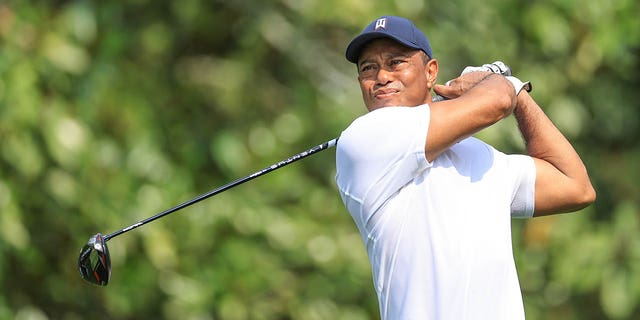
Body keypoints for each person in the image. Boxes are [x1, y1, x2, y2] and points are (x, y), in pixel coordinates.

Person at [335, 16, 596, 319]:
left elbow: (575, 186)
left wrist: (518, 95)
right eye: (369, 68)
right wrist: (499, 83)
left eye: (396, 62)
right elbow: (497, 102)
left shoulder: (482, 157)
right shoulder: (364, 139)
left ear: (430, 72)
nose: (381, 76)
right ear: (361, 83)